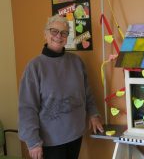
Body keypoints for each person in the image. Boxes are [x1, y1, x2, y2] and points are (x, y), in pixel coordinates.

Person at [18, 14, 104, 159]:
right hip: (49, 142)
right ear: (45, 34)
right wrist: (33, 142)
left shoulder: (76, 62)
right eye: (54, 31)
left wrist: (94, 114)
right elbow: (27, 107)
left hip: (75, 135)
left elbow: (87, 92)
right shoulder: (34, 67)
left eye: (64, 33)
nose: (59, 36)